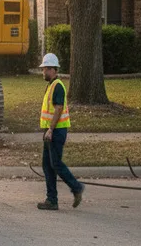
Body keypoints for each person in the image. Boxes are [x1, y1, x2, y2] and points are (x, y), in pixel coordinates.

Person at [37, 53, 84, 210]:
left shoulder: (57, 86)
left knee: (55, 163)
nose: (43, 72)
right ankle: (51, 200)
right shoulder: (51, 85)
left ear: (53, 69)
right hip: (50, 131)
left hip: (56, 131)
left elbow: (58, 108)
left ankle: (76, 187)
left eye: (45, 69)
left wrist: (50, 129)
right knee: (47, 165)